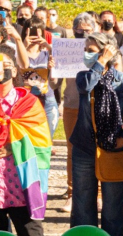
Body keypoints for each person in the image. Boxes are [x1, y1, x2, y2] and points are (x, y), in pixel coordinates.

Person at [69, 32, 123, 236]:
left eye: (91, 50)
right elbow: (87, 85)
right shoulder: (84, 75)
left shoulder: (122, 80)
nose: (87, 54)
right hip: (84, 148)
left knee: (114, 204)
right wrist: (100, 61)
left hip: (112, 149)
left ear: (108, 51)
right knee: (83, 203)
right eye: (86, 50)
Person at [0, 44, 51, 236]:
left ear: (14, 71)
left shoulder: (28, 104)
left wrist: (13, 146)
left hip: (21, 183)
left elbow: (41, 142)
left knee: (31, 232)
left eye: (5, 65)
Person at [59, 13, 95, 213]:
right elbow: (56, 82)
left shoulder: (99, 47)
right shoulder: (67, 49)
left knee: (97, 147)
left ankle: (97, 193)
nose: (82, 33)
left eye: (87, 29)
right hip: (72, 105)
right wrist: (53, 67)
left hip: (94, 104)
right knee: (72, 150)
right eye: (79, 29)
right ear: (73, 30)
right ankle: (73, 193)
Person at [22, 16, 61, 140]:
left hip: (48, 99)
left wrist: (49, 47)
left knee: (46, 140)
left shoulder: (47, 53)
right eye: (33, 30)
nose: (36, 34)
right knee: (29, 141)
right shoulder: (19, 53)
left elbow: (55, 82)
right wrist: (23, 46)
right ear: (26, 31)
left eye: (39, 31)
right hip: (26, 101)